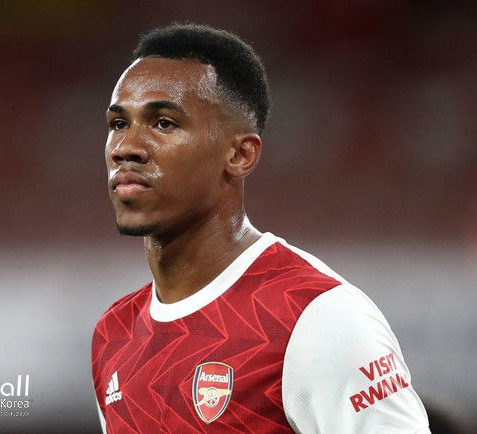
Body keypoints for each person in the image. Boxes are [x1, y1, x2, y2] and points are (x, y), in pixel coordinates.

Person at [91, 23, 429, 433]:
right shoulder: (114, 334)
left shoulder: (315, 317)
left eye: (163, 123)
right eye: (118, 124)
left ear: (240, 154)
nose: (126, 148)